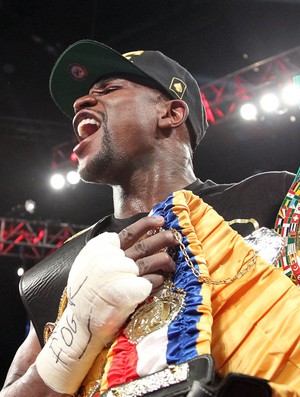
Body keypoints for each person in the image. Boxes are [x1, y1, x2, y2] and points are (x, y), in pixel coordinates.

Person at [0, 40, 299, 397]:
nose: (80, 103)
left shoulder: (274, 197)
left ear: (171, 113)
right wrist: (76, 333)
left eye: (109, 89)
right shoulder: (57, 270)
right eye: (83, 97)